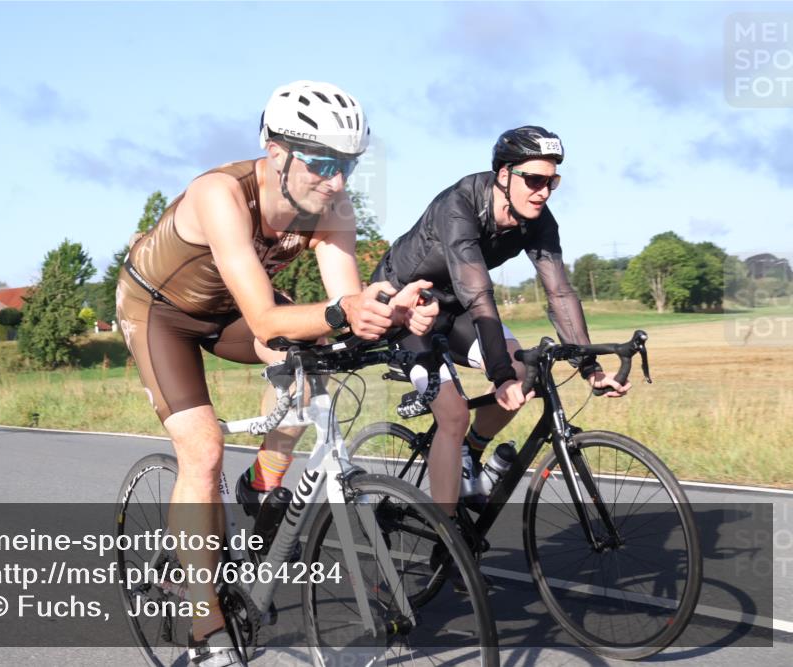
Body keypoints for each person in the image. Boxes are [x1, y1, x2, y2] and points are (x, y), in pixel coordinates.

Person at [116, 80, 436, 666]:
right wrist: (344, 312)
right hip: (160, 310)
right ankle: (204, 624)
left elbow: (345, 306)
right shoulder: (220, 194)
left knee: (309, 373)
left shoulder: (332, 207)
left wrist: (391, 313)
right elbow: (266, 320)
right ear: (274, 150)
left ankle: (262, 485)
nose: (336, 181)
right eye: (320, 163)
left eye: (347, 164)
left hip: (229, 309)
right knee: (203, 450)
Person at [372, 126, 630, 517]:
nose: (544, 191)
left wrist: (590, 367)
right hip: (405, 311)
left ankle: (471, 454)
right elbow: (480, 296)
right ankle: (450, 537)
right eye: (535, 180)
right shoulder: (459, 204)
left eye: (552, 181)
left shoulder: (538, 219)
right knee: (454, 413)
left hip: (454, 307)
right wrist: (499, 377)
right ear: (505, 175)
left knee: (526, 370)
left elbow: (559, 292)